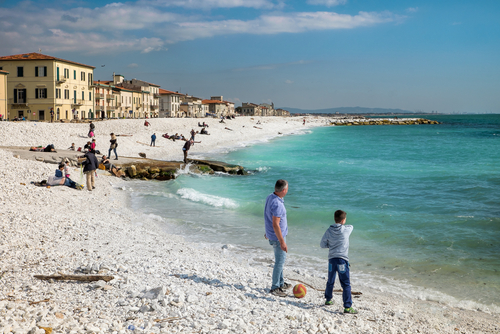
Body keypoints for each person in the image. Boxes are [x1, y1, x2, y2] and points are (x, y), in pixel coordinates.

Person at [320, 210, 358, 314]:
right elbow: (351, 226)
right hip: (342, 260)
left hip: (332, 260)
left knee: (330, 280)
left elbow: (322, 244)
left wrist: (331, 245)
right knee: (345, 284)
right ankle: (347, 306)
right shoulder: (346, 229)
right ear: (343, 220)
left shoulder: (328, 230)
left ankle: (328, 299)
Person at [264, 179, 291, 297]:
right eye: (287, 188)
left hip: (273, 234)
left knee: (280, 260)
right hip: (277, 237)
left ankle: (280, 283)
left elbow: (267, 215)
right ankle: (275, 287)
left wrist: (267, 232)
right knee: (279, 262)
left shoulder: (271, 197)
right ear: (284, 190)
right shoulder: (278, 204)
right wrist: (282, 241)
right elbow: (275, 224)